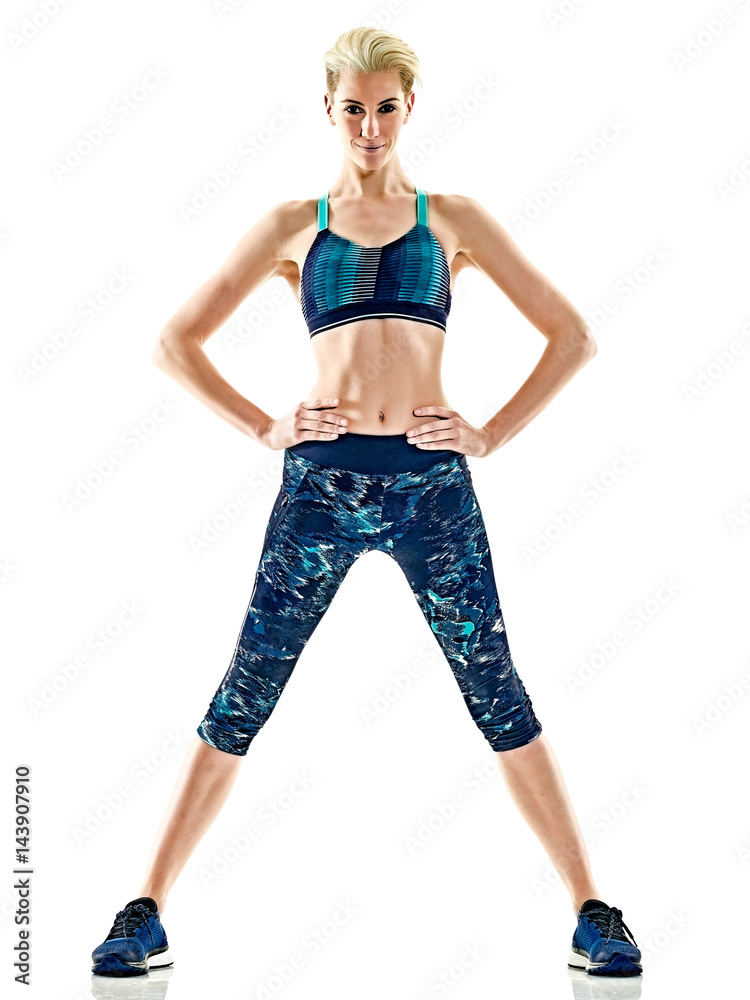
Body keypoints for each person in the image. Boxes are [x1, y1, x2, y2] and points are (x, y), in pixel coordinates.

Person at [91, 25, 642, 980]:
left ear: (410, 107)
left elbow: (574, 336)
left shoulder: (454, 218)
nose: (371, 125)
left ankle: (593, 911)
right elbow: (174, 343)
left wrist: (491, 433)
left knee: (497, 691)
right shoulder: (291, 226)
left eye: (387, 106)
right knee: (245, 692)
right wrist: (267, 425)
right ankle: (145, 910)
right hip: (322, 488)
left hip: (433, 489)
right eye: (354, 107)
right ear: (329, 110)